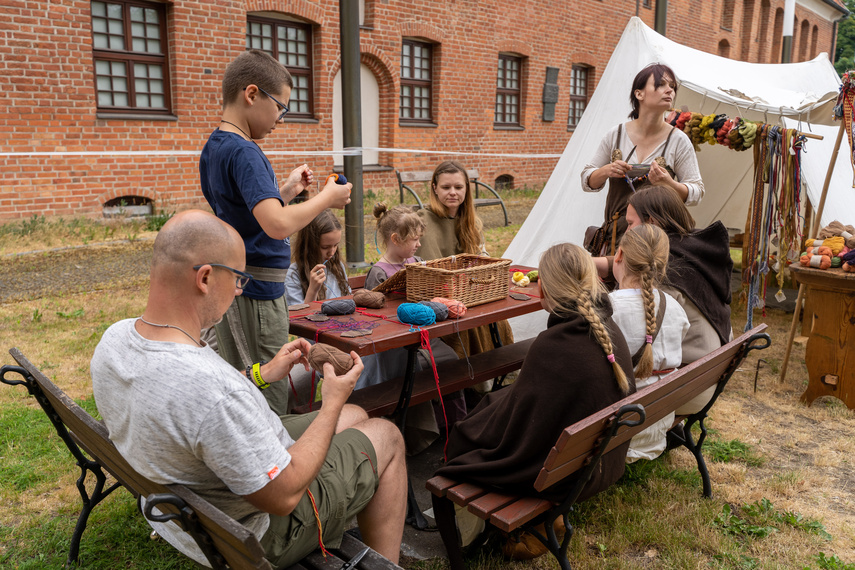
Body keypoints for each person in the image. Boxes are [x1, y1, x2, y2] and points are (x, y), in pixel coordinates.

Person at [90, 210, 406, 568]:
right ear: (206, 278)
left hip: (188, 508)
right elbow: (285, 495)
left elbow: (195, 401)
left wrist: (264, 373)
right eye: (239, 278)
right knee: (386, 434)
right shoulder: (214, 390)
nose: (240, 289)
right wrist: (332, 400)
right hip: (258, 533)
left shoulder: (116, 338)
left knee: (358, 415)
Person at [435, 243, 635, 545]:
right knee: (493, 406)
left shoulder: (553, 346)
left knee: (466, 438)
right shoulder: (608, 329)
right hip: (602, 462)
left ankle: (469, 538)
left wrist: (474, 427)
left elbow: (520, 425)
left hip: (563, 477)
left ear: (542, 287)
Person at [200, 49, 352, 416]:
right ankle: (278, 461)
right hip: (256, 296)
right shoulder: (246, 152)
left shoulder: (216, 147)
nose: (280, 119)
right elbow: (276, 224)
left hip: (242, 290)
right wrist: (327, 199)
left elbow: (247, 216)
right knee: (264, 392)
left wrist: (283, 193)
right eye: (280, 108)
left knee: (246, 379)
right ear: (251, 94)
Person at [594, 185, 733, 416]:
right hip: (705, 377)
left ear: (653, 223)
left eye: (630, 224)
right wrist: (600, 263)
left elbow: (631, 338)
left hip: (679, 389)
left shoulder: (668, 272)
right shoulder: (693, 251)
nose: (626, 233)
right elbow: (642, 261)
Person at [581, 63, 704, 256]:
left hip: (657, 244)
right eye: (661, 84)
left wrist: (669, 183)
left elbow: (697, 191)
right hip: (615, 239)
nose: (669, 90)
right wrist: (607, 171)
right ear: (639, 94)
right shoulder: (616, 135)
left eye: (672, 86)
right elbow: (586, 180)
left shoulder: (678, 140)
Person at [366, 202, 462, 445]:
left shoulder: (417, 261)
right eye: (414, 239)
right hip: (401, 347)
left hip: (426, 337)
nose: (419, 244)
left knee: (451, 360)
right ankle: (420, 432)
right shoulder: (379, 273)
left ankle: (454, 425)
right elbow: (375, 319)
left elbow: (429, 295)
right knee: (422, 369)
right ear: (396, 239)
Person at [415, 161, 514, 374]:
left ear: (466, 189)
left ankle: (497, 377)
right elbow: (430, 273)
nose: (452, 193)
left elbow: (481, 258)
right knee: (469, 326)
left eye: (458, 187)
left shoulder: (469, 221)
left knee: (498, 319)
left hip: (471, 293)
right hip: (441, 300)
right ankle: (469, 381)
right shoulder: (423, 220)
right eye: (446, 187)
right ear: (434, 188)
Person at [609, 224, 689, 462]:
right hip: (657, 423)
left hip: (614, 430)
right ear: (662, 265)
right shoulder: (676, 309)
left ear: (619, 255)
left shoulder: (606, 309)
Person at [285, 209, 350, 305]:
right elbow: (299, 317)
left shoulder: (338, 267)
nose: (331, 252)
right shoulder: (293, 274)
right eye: (325, 247)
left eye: (335, 245)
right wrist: (313, 290)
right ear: (309, 245)